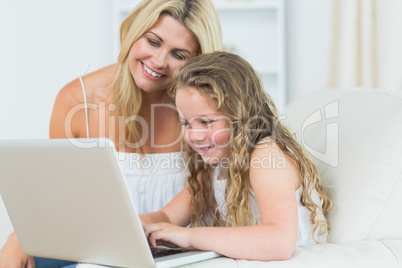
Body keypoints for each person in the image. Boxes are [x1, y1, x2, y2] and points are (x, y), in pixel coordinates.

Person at [0, 0, 222, 267]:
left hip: (185, 254)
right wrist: (19, 237)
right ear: (132, 32)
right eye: (153, 42)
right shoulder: (78, 99)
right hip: (98, 252)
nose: (159, 61)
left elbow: (208, 187)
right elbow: (62, 195)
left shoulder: (208, 109)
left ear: (197, 61)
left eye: (179, 55)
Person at [140, 51, 332, 261]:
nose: (193, 135)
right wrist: (137, 224)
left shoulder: (265, 156)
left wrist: (190, 237)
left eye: (206, 122)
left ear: (240, 117)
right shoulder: (218, 162)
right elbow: (167, 216)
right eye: (186, 122)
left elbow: (280, 242)